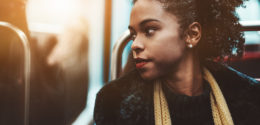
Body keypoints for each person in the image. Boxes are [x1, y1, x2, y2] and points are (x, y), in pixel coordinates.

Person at [94, 0, 260, 125]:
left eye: (149, 31)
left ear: (192, 34)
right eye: (133, 35)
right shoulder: (115, 103)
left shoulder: (248, 97)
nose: (135, 45)